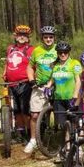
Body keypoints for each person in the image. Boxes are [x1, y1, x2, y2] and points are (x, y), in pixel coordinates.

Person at [45, 42, 82, 162]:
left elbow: (78, 81)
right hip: (58, 99)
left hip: (71, 98)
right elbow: (52, 79)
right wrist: (48, 86)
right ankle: (66, 149)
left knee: (75, 123)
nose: (63, 54)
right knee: (63, 126)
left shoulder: (74, 63)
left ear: (68, 53)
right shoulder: (55, 65)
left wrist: (75, 95)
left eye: (65, 52)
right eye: (60, 52)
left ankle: (78, 149)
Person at [25, 25, 58, 154]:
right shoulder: (37, 50)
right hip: (39, 86)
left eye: (51, 37)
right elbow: (30, 67)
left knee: (58, 114)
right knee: (34, 114)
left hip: (56, 86)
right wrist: (31, 79)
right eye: (46, 37)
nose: (48, 39)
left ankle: (58, 139)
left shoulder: (58, 50)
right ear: (42, 38)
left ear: (54, 38)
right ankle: (33, 140)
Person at [3, 25, 35, 141]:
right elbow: (7, 62)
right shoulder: (10, 48)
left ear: (28, 37)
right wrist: (4, 73)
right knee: (15, 110)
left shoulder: (31, 49)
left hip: (24, 83)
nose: (22, 37)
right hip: (11, 84)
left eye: (24, 35)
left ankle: (29, 133)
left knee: (25, 109)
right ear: (15, 36)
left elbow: (34, 65)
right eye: (20, 35)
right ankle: (20, 133)